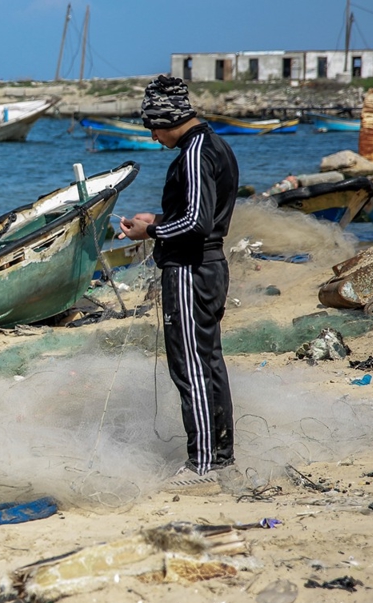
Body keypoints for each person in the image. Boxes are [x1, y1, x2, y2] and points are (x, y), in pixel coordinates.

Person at [118, 75, 239, 485]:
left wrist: (148, 232)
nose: (153, 137)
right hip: (208, 267)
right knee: (209, 364)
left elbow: (197, 222)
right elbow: (196, 216)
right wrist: (158, 219)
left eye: (153, 127)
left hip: (190, 272)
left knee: (191, 368)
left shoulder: (193, 153)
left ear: (168, 120)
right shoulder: (215, 145)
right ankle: (221, 458)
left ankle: (203, 466)